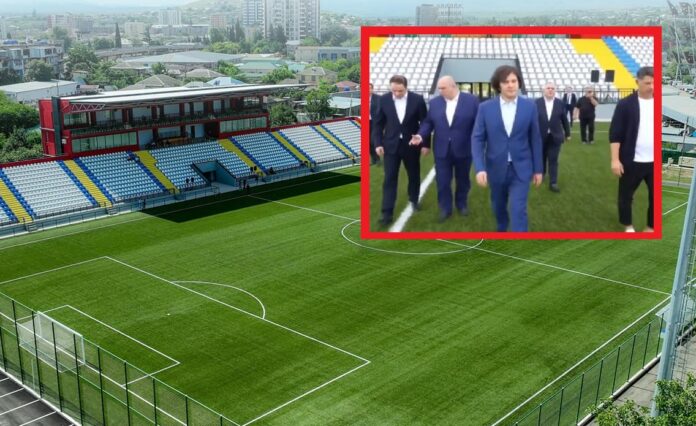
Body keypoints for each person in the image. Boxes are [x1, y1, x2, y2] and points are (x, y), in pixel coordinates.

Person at [471, 65, 543, 232]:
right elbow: (477, 139)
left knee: (518, 210)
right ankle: (502, 230)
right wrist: (480, 168)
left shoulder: (530, 107)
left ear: (519, 83)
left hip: (521, 169)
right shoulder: (485, 108)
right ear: (498, 85)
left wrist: (538, 169)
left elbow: (535, 139)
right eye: (506, 82)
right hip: (495, 168)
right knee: (498, 207)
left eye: (514, 81)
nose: (510, 85)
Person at [411, 75, 479, 222]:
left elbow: (478, 123)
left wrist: (478, 142)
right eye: (439, 88)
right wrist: (420, 136)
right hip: (442, 150)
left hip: (464, 148)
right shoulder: (435, 103)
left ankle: (461, 204)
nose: (440, 91)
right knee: (442, 181)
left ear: (453, 86)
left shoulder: (471, 101)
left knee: (463, 180)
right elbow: (428, 123)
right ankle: (445, 208)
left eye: (443, 88)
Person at [372, 74, 428, 226]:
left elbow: (425, 122)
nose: (397, 94)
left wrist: (425, 143)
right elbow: (377, 124)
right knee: (389, 178)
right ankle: (387, 213)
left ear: (406, 88)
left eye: (400, 91)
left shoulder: (417, 100)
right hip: (390, 146)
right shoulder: (384, 100)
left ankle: (414, 200)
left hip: (411, 145)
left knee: (414, 175)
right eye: (394, 91)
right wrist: (378, 143)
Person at [609, 66, 655, 233]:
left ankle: (651, 227)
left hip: (654, 162)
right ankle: (628, 226)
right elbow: (615, 134)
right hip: (631, 161)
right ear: (637, 82)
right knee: (625, 196)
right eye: (648, 83)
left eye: (655, 83)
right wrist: (615, 160)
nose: (652, 87)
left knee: (655, 198)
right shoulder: (625, 104)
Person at [536, 81, 571, 193]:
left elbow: (564, 119)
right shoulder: (536, 103)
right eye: (548, 88)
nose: (550, 90)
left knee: (553, 159)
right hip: (540, 136)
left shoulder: (560, 103)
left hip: (555, 136)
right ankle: (542, 174)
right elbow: (531, 120)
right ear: (544, 90)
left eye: (552, 88)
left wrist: (568, 133)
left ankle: (553, 182)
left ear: (555, 91)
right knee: (541, 157)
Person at [369, 83, 381, 166]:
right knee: (368, 143)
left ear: (372, 89)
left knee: (373, 141)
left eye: (370, 88)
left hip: (374, 122)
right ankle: (373, 159)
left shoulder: (378, 98)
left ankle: (377, 159)